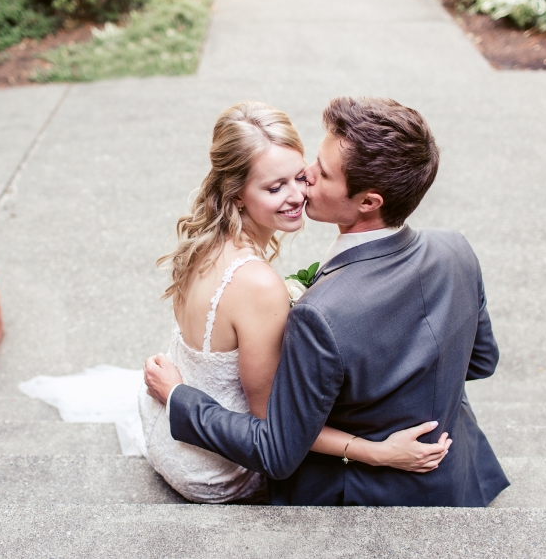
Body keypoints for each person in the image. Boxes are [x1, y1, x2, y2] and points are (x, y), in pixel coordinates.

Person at [144, 96, 510, 506]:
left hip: (368, 497)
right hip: (460, 472)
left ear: (369, 201)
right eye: (312, 161)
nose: (306, 177)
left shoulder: (320, 313)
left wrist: (180, 397)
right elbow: (480, 361)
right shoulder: (455, 249)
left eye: (321, 172)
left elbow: (276, 448)